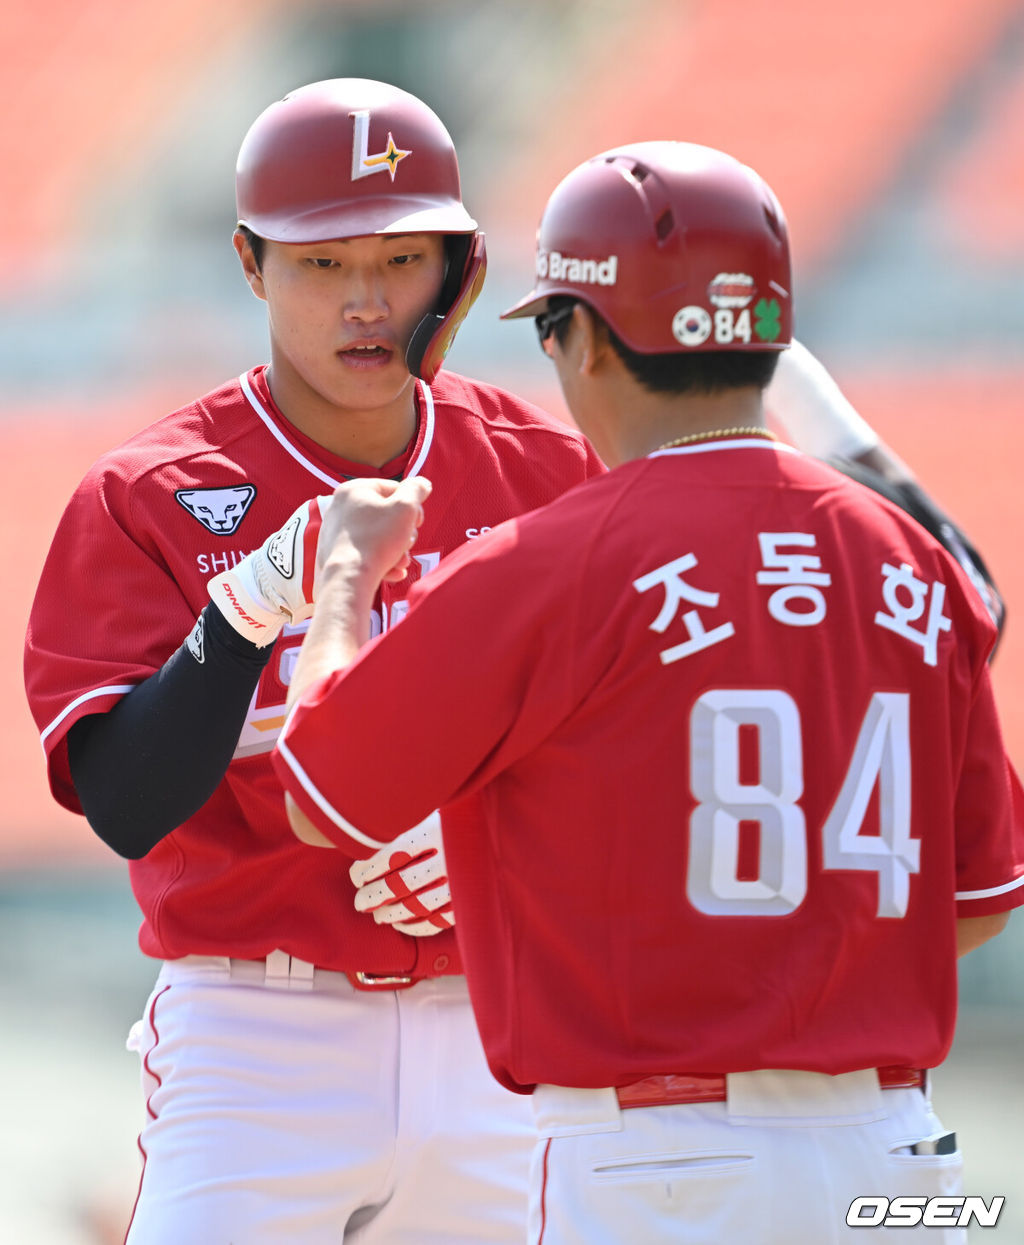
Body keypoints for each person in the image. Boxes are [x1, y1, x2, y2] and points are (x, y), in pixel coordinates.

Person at [272, 141, 1024, 1245]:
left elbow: (319, 790)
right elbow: (977, 901)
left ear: (574, 335)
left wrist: (343, 578)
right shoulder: (909, 564)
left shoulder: (546, 562)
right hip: (897, 1161)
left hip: (659, 1166)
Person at [25, 78, 607, 1244]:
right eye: (322, 264)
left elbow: (626, 751)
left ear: (459, 270)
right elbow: (131, 806)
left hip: (501, 1021)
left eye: (399, 261)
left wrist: (498, 848)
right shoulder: (154, 492)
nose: (366, 303)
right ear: (249, 265)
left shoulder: (552, 474)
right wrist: (245, 609)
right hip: (257, 1030)